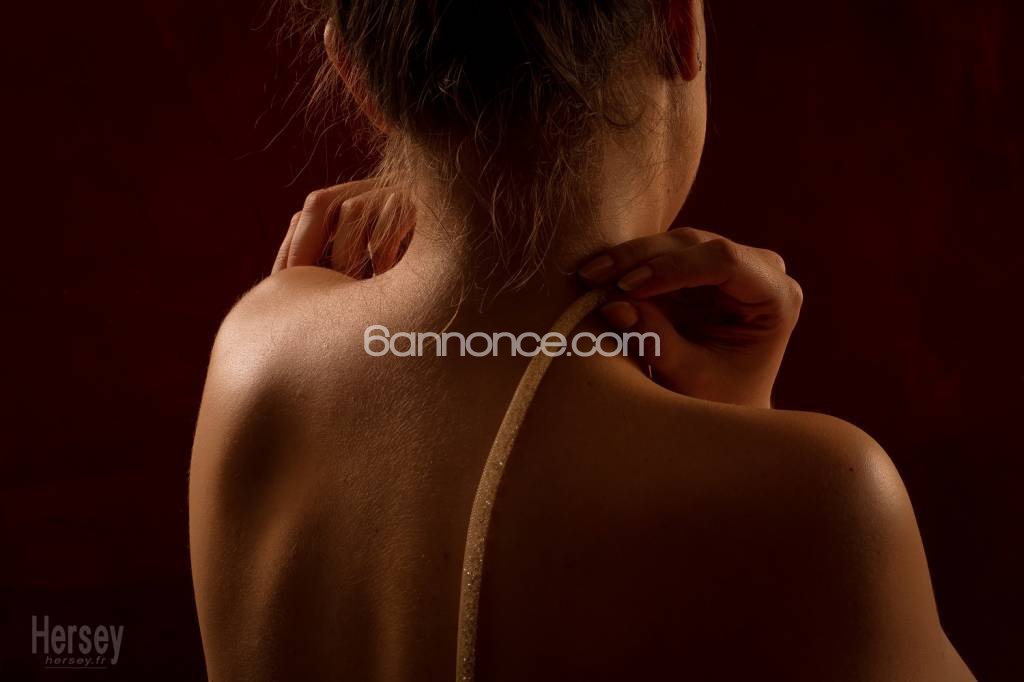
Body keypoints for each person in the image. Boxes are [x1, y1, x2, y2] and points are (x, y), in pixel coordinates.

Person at [189, 1, 975, 679]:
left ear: (358, 75)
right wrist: (746, 424)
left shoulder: (253, 351)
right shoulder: (823, 501)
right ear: (676, 25)